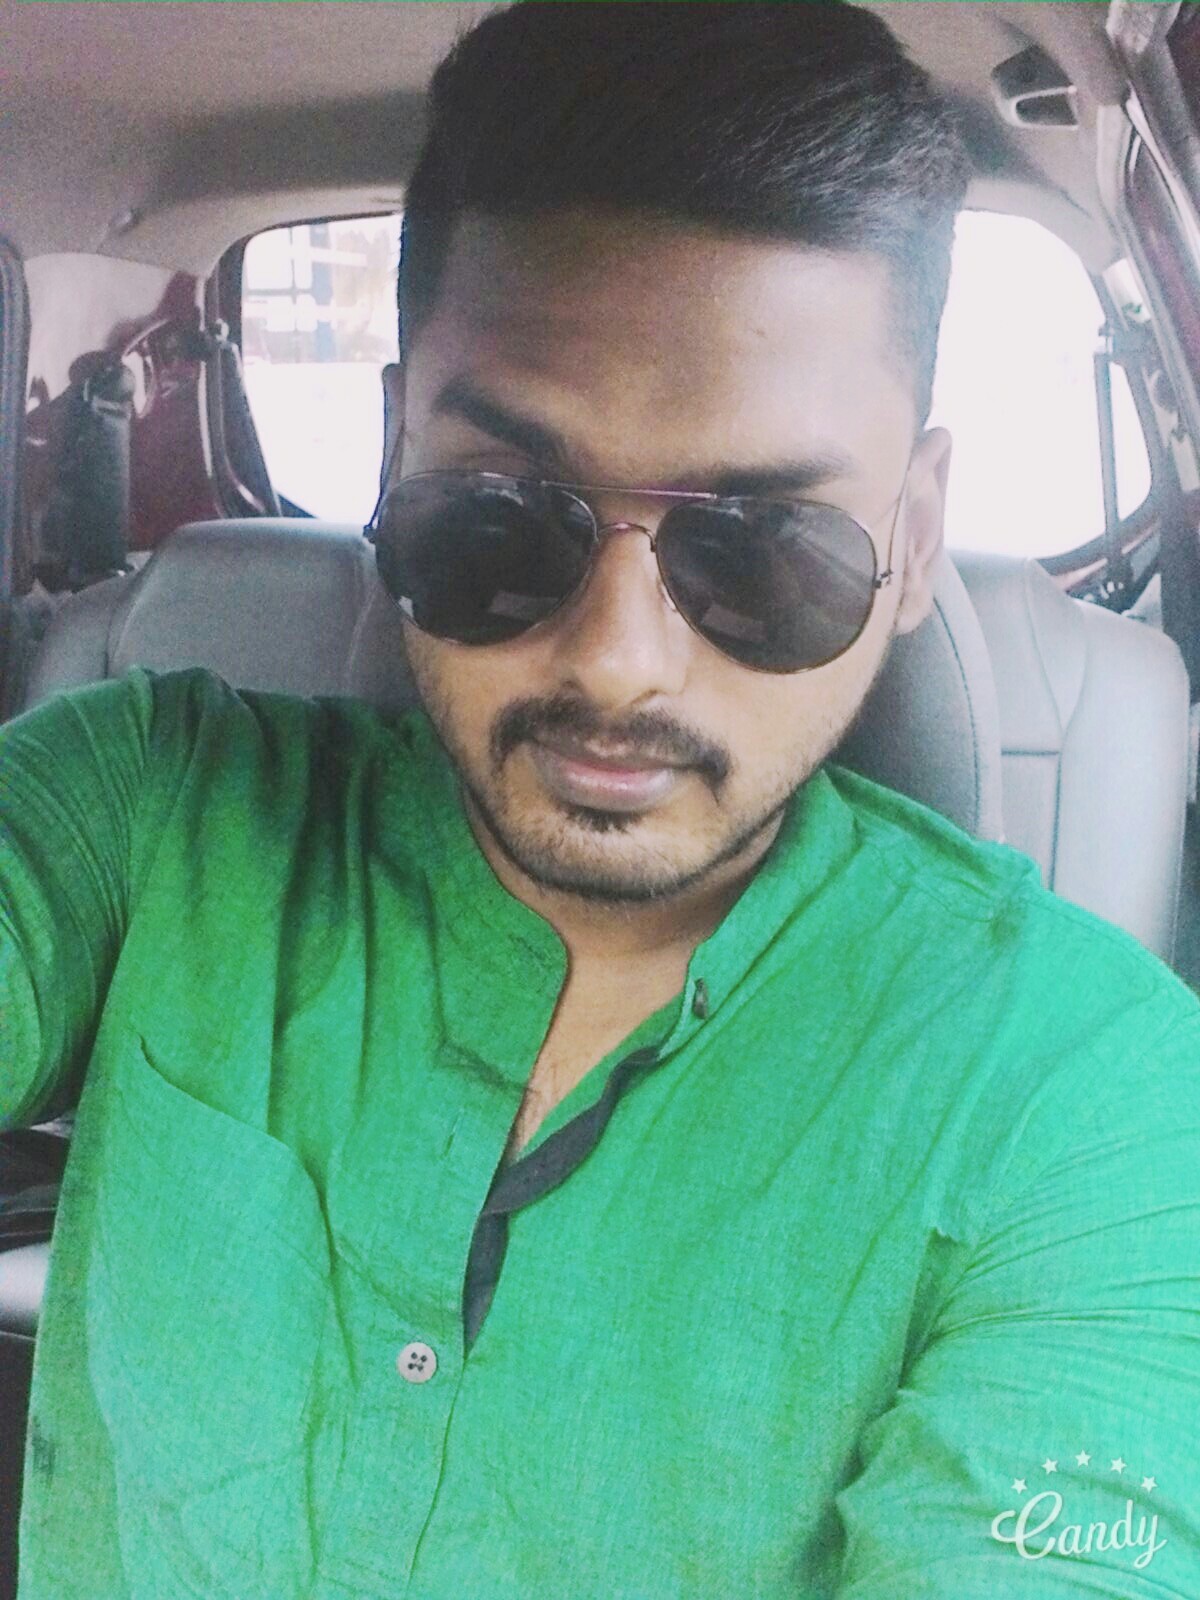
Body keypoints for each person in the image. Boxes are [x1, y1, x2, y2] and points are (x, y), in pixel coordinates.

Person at [3, 3, 1199, 1595]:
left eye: (761, 549)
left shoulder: (1089, 1095)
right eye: (504, 514)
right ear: (393, 459)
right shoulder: (142, 806)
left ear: (912, 539)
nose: (619, 663)